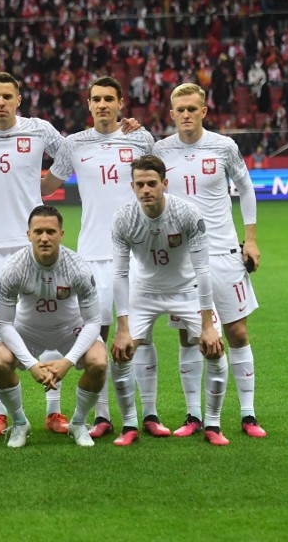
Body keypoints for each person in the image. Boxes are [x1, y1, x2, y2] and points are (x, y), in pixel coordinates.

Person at [41, 76, 163, 440]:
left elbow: (158, 182)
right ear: (88, 104)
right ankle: (104, 415)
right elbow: (46, 186)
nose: (103, 105)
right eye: (96, 99)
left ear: (121, 103)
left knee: (141, 335)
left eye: (109, 98)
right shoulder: (74, 144)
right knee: (98, 337)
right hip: (93, 255)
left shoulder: (140, 139)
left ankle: (151, 414)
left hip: (138, 253)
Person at [153, 83, 266, 438]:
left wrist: (250, 239)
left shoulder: (224, 146)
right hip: (181, 261)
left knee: (236, 332)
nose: (185, 114)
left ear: (204, 111)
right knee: (189, 336)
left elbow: (245, 188)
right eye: (179, 109)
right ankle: (193, 415)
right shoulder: (160, 150)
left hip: (223, 253)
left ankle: (248, 414)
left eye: (192, 108)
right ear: (170, 114)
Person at [0, 71, 68, 437]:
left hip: (34, 246)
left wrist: (46, 186)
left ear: (19, 99)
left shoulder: (39, 129)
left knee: (49, 322)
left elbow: (69, 154)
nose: (1, 102)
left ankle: (54, 411)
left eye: (8, 96)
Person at [110, 155, 229, 446]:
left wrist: (206, 325)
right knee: (121, 353)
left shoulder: (188, 213)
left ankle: (212, 423)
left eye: (152, 183)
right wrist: (122, 327)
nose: (146, 189)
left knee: (214, 349)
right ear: (132, 186)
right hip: (144, 292)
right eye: (140, 184)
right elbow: (120, 273)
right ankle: (132, 424)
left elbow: (202, 269)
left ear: (164, 183)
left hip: (187, 289)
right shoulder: (123, 218)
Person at [0, 205, 108, 448]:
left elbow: (94, 322)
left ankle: (78, 422)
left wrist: (68, 361)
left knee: (99, 360)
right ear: (29, 234)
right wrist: (32, 364)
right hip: (28, 331)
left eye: (51, 232)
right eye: (39, 231)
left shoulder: (78, 268)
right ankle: (20, 422)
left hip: (69, 331)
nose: (45, 238)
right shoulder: (13, 269)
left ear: (61, 234)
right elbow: (3, 323)